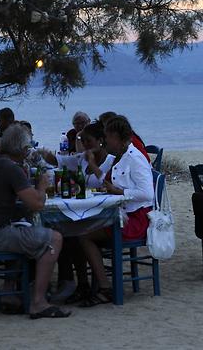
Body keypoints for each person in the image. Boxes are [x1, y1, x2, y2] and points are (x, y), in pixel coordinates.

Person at [0, 123, 70, 319]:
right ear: (23, 150)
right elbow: (37, 204)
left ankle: (9, 293)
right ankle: (39, 302)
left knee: (23, 229)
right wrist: (41, 185)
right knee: (54, 239)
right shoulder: (9, 168)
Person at [79, 115, 153, 307]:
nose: (105, 140)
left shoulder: (135, 158)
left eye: (108, 137)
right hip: (118, 214)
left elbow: (147, 194)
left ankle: (104, 287)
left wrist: (118, 191)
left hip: (135, 219)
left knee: (84, 236)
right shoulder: (117, 158)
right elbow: (108, 179)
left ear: (119, 138)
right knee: (79, 228)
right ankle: (86, 285)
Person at [51, 121, 114, 304]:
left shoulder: (111, 161)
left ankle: (91, 285)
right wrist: (46, 155)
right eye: (82, 141)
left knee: (77, 234)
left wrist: (93, 163)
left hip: (103, 213)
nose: (85, 145)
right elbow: (61, 162)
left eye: (88, 141)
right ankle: (81, 284)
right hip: (85, 211)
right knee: (66, 233)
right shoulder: (82, 158)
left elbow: (106, 184)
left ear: (101, 141)